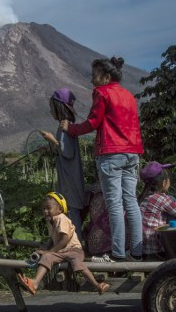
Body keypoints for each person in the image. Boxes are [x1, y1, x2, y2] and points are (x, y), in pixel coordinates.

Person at [61, 56, 144, 263]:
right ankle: (137, 251)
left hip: (111, 154)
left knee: (114, 204)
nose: (91, 80)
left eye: (94, 75)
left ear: (106, 76)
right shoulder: (129, 96)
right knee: (131, 202)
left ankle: (117, 253)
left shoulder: (102, 92)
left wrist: (71, 129)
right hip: (132, 153)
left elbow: (93, 122)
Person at [17, 192, 110, 296]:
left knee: (78, 265)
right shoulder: (51, 221)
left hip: (74, 250)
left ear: (60, 209)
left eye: (48, 208)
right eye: (43, 208)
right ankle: (35, 283)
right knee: (47, 258)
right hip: (61, 251)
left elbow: (64, 239)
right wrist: (45, 249)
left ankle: (97, 285)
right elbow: (53, 239)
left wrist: (49, 251)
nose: (45, 211)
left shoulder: (61, 218)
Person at [38, 88, 85, 242]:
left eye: (52, 107)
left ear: (59, 108)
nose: (50, 111)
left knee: (71, 211)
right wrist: (51, 146)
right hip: (70, 176)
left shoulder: (64, 128)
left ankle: (75, 246)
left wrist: (52, 141)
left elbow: (68, 152)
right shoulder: (67, 125)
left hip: (69, 178)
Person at [139, 162, 176, 259]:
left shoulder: (142, 198)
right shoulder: (161, 199)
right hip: (156, 252)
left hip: (142, 250)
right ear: (164, 183)